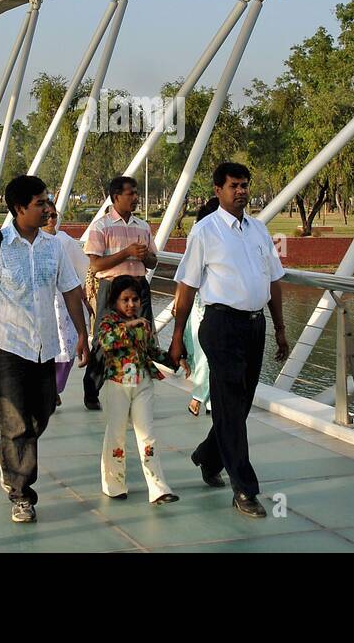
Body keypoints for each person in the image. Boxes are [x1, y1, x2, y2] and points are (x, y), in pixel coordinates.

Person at [169, 161, 289, 519]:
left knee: (239, 404)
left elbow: (274, 280)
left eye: (245, 185)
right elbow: (186, 288)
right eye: (234, 185)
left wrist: (281, 328)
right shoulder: (205, 232)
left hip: (254, 327)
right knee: (229, 406)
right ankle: (244, 489)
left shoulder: (258, 230)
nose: (241, 191)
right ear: (218, 190)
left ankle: (208, 455)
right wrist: (178, 339)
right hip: (221, 326)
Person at [0, 174, 88, 524]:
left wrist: (83, 334)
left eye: (47, 201)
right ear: (20, 208)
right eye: (40, 203)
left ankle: (9, 453)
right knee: (16, 420)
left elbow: (70, 290)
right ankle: (22, 495)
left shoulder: (54, 246)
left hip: (45, 345)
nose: (48, 208)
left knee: (43, 411)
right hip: (7, 345)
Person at [96, 274, 185, 504]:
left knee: (148, 436)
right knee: (116, 436)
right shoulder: (108, 323)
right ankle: (114, 486)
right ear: (115, 300)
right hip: (117, 384)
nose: (131, 304)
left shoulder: (143, 324)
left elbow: (151, 351)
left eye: (135, 299)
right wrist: (130, 325)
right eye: (125, 299)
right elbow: (106, 341)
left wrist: (175, 360)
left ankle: (158, 488)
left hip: (142, 382)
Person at [83, 176, 157, 411]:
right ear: (116, 196)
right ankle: (92, 389)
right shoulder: (101, 226)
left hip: (138, 287)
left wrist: (144, 256)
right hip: (113, 290)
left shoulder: (143, 226)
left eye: (136, 193)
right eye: (130, 193)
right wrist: (127, 252)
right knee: (105, 341)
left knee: (140, 340)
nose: (135, 198)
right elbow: (95, 265)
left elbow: (153, 262)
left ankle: (132, 393)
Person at [41, 199, 92, 404]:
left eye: (54, 215)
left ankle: (55, 388)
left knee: (67, 347)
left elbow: (81, 270)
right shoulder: (32, 241)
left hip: (64, 302)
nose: (51, 220)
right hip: (43, 303)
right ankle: (47, 388)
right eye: (46, 216)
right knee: (45, 349)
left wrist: (86, 299)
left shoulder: (65, 241)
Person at [181, 196, 219, 417]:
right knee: (204, 353)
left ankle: (210, 399)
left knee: (207, 354)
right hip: (202, 304)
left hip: (205, 303)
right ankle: (199, 397)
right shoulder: (201, 234)